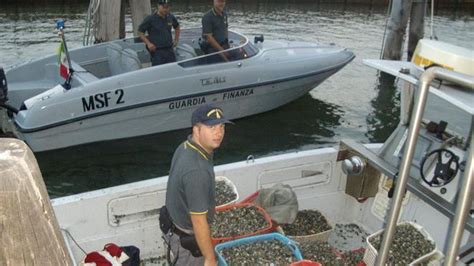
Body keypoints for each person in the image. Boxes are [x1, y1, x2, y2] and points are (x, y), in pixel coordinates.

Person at [161, 104, 232, 266]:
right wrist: (209, 258)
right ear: (196, 130)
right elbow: (199, 221)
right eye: (211, 127)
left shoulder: (186, 146)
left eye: (221, 126)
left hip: (172, 222)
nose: (219, 132)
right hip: (187, 239)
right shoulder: (197, 170)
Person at [138, 0, 180, 66]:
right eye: (163, 7)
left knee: (172, 69)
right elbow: (140, 32)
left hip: (169, 49)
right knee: (158, 72)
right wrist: (148, 43)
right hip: (157, 51)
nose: (165, 9)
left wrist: (176, 39)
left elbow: (177, 27)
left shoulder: (170, 17)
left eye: (167, 7)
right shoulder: (150, 19)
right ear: (158, 6)